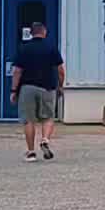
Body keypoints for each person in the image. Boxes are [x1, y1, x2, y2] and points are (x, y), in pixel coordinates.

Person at [11, 21, 65, 161]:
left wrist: (13, 90)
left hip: (27, 87)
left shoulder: (23, 48)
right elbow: (60, 71)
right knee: (48, 117)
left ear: (31, 33)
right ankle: (45, 139)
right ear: (44, 32)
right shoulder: (51, 48)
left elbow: (17, 71)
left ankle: (30, 152)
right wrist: (60, 86)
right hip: (47, 87)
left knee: (28, 120)